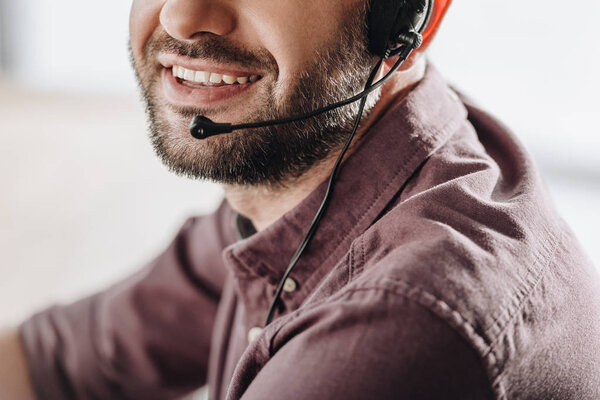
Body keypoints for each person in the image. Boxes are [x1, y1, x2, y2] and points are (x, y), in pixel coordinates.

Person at [1, 0, 599, 398]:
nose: (182, 17)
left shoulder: (405, 323)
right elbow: (57, 360)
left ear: (408, 20)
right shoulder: (309, 172)